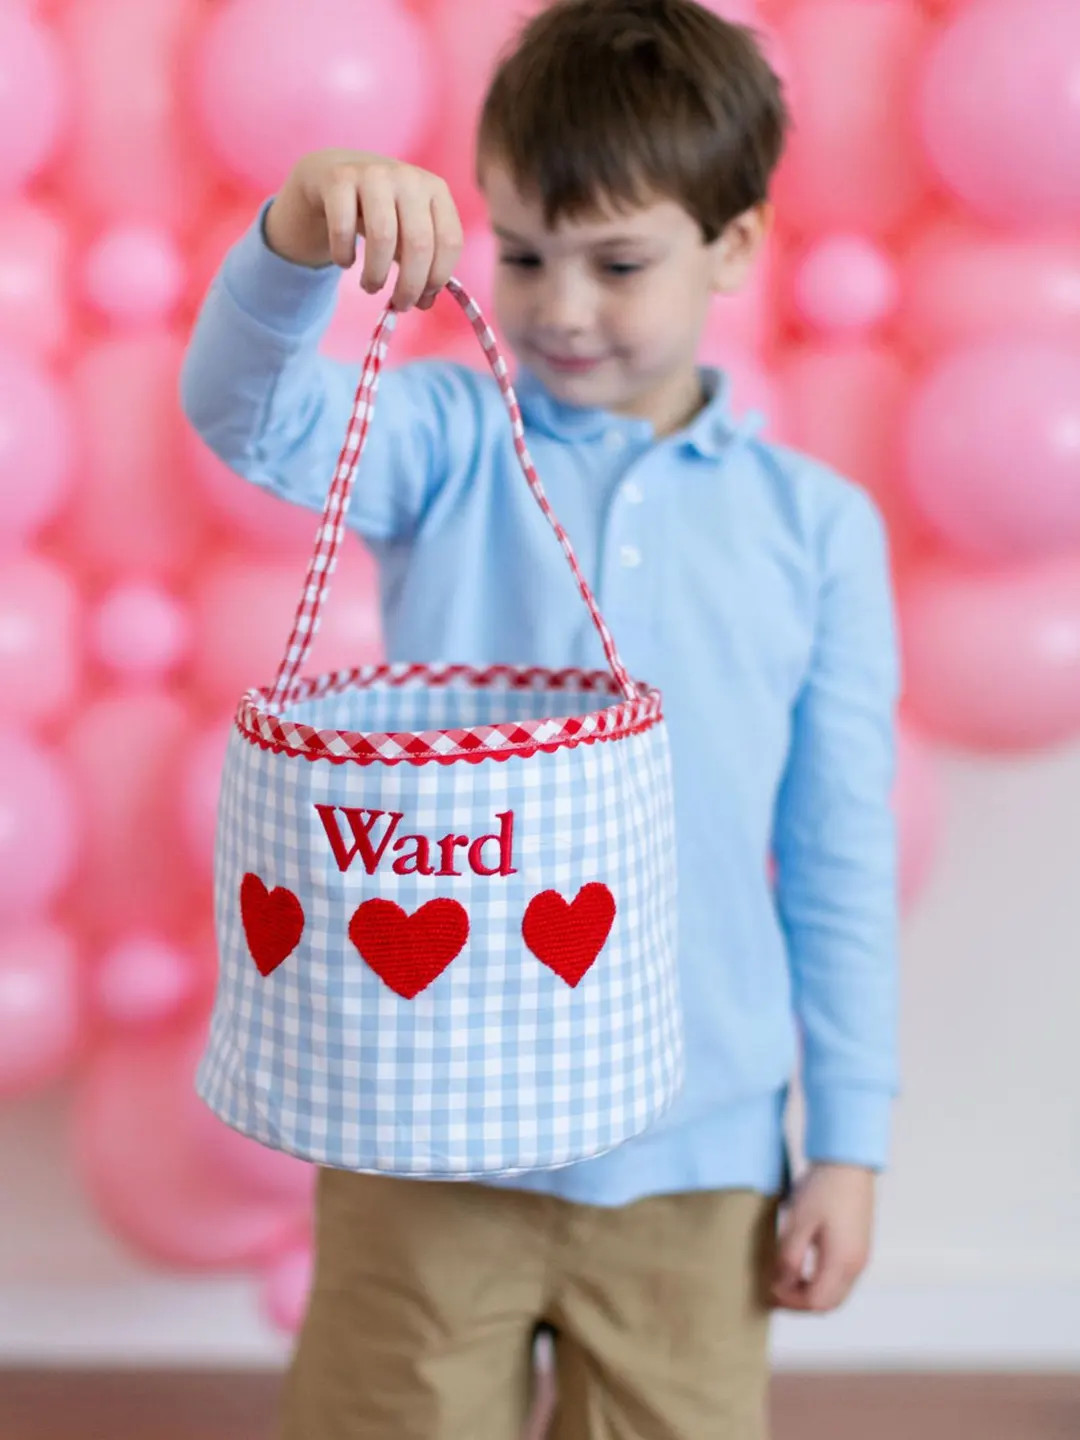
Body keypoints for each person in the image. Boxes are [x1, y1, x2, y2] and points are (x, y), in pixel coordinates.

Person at [180, 1, 901, 1435]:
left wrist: (850, 1144)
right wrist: (294, 238)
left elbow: (836, 856)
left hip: (697, 1159)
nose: (562, 308)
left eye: (619, 263)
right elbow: (241, 415)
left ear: (736, 249)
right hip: (422, 1141)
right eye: (521, 256)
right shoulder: (445, 437)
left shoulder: (814, 529)